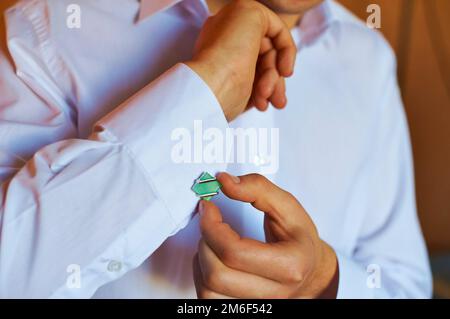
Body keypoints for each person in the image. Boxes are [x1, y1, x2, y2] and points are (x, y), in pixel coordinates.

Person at [0, 0, 431, 298]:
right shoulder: (48, 29)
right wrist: (207, 86)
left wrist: (323, 283)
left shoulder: (368, 59)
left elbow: (404, 285)